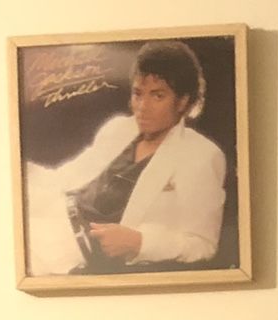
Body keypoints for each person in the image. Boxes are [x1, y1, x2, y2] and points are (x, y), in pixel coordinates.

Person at [23, 40, 227, 275]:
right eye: (138, 94)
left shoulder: (201, 155)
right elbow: (65, 178)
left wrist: (139, 242)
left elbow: (202, 245)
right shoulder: (119, 127)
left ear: (182, 101)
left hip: (69, 252)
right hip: (48, 214)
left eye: (157, 96)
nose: (142, 106)